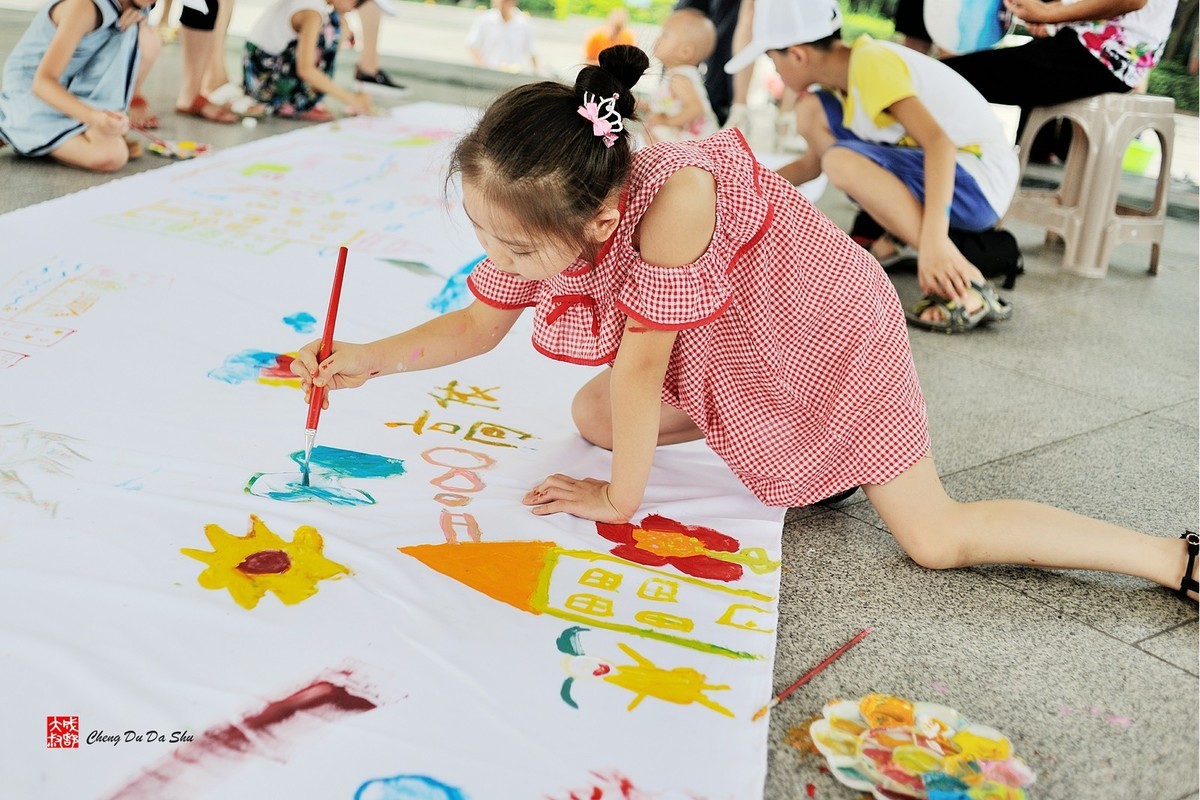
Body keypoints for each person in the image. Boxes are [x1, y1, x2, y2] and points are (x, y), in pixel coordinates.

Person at [290, 45, 1199, 603]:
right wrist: (362, 358)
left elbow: (646, 370)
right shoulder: (557, 203)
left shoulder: (675, 199)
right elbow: (477, 326)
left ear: (602, 224)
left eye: (517, 251)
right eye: (486, 238)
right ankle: (812, 461)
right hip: (737, 345)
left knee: (934, 539)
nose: (504, 263)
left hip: (830, 335)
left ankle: (1172, 558)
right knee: (593, 420)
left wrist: (618, 503)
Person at [724, 0, 1020, 332]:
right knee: (815, 120)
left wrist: (934, 242)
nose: (775, 71)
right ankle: (915, 241)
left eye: (771, 59)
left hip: (979, 180)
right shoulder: (840, 82)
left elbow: (939, 144)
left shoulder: (871, 64)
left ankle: (966, 282)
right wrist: (735, 190)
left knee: (841, 160)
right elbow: (811, 165)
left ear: (797, 54)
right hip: (951, 177)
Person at [942, 0, 1179, 163]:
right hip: (1104, 55)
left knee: (942, 78)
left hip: (1100, 55)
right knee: (948, 77)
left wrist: (1048, 14)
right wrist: (1050, 14)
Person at [0, 0, 158, 171]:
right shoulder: (84, 6)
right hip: (32, 89)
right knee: (112, 156)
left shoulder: (140, 5)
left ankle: (52, 134)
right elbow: (42, 82)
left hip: (72, 86)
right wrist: (93, 117)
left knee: (147, 38)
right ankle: (11, 122)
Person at [242, 0, 374, 121]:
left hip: (257, 75)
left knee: (338, 24)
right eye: (358, 2)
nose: (354, 9)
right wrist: (353, 100)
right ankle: (300, 104)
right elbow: (306, 69)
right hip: (264, 85)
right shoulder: (312, 13)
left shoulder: (315, 5)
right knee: (336, 28)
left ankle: (307, 98)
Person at [642, 8, 720, 141]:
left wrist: (667, 121)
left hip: (697, 140)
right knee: (650, 128)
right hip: (684, 135)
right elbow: (666, 105)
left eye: (664, 35)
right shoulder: (675, 74)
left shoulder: (680, 77)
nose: (658, 39)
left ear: (685, 51)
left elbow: (696, 109)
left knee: (652, 130)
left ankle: (663, 159)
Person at [465, 0, 538, 74]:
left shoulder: (523, 23)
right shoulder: (485, 19)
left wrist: (535, 73)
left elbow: (531, 51)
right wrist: (482, 66)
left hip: (512, 75)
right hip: (489, 72)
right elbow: (472, 44)